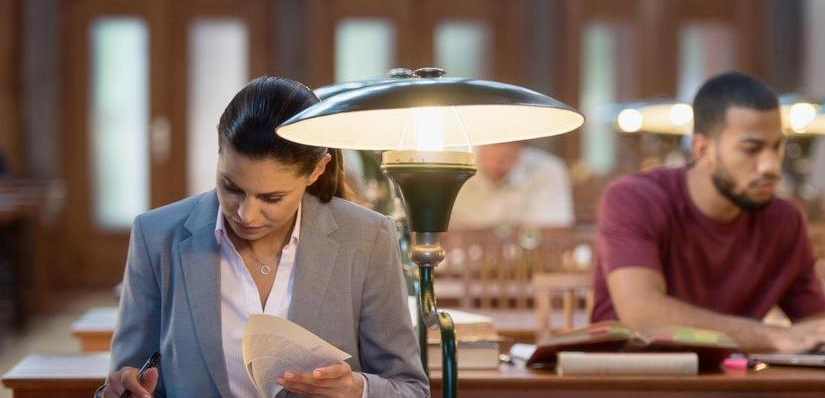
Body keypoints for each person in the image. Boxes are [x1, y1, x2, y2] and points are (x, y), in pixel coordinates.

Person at [100, 77, 427, 397]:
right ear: (219, 148)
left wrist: (358, 390)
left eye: (271, 198)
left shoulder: (367, 238)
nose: (246, 215)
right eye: (231, 187)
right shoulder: (156, 236)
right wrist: (117, 392)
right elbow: (128, 379)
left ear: (317, 170)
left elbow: (410, 389)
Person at [590, 72, 825, 353]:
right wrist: (775, 337)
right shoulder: (634, 199)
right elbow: (643, 317)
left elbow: (814, 327)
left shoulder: (785, 221)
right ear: (703, 149)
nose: (771, 166)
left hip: (730, 377)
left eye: (777, 147)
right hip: (633, 374)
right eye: (751, 149)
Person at [449, 142, 574, 229]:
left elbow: (552, 231)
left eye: (503, 143)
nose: (497, 153)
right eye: (492, 143)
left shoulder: (547, 171)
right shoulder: (455, 170)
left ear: (520, 143)